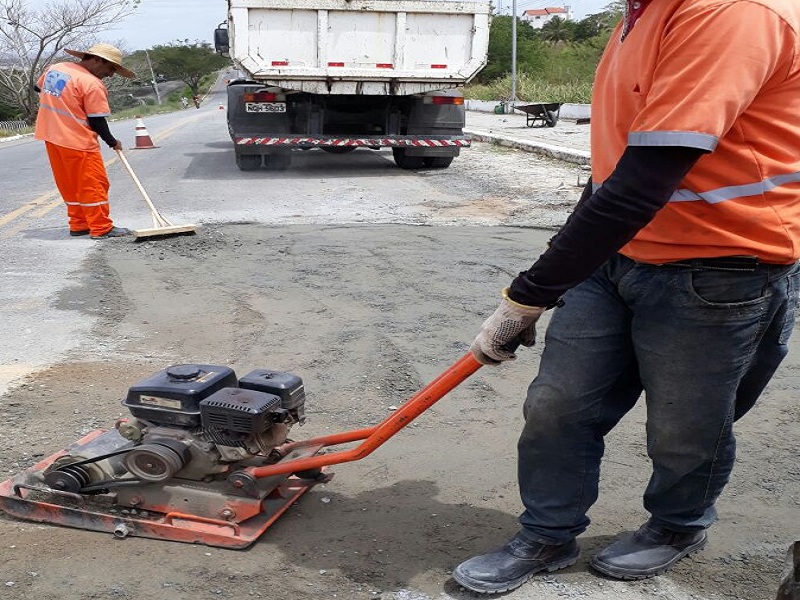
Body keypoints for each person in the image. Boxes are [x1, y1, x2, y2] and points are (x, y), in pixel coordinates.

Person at [453, 0, 800, 594]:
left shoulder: (735, 13)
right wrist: (560, 272)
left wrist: (528, 295)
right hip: (617, 256)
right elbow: (612, 170)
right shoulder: (640, 13)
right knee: (557, 406)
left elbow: (643, 179)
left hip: (721, 266)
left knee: (686, 428)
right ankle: (548, 530)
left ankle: (677, 525)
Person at [35, 43, 135, 239]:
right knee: (94, 184)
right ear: (97, 60)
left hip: (51, 136)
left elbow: (38, 88)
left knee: (70, 184)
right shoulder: (92, 84)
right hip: (77, 140)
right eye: (111, 68)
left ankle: (79, 223)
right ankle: (101, 227)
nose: (111, 74)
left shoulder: (57, 69)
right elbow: (97, 120)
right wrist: (112, 141)